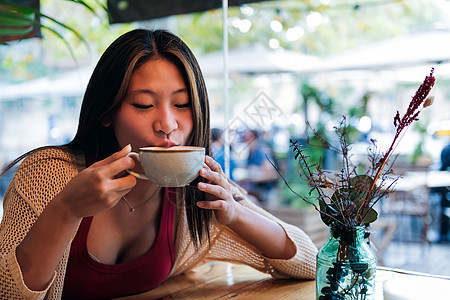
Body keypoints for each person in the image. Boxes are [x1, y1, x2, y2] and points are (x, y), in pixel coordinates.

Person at [0, 29, 317, 299]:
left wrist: (236, 213)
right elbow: (7, 292)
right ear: (107, 113)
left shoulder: (195, 192)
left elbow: (309, 263)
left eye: (181, 104)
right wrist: (65, 210)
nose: (167, 124)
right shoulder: (49, 172)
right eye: (143, 104)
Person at [240, 129, 279, 208]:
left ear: (254, 138)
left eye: (247, 137)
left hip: (265, 193)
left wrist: (253, 178)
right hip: (257, 193)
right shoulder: (250, 152)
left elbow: (272, 173)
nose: (244, 139)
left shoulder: (261, 152)